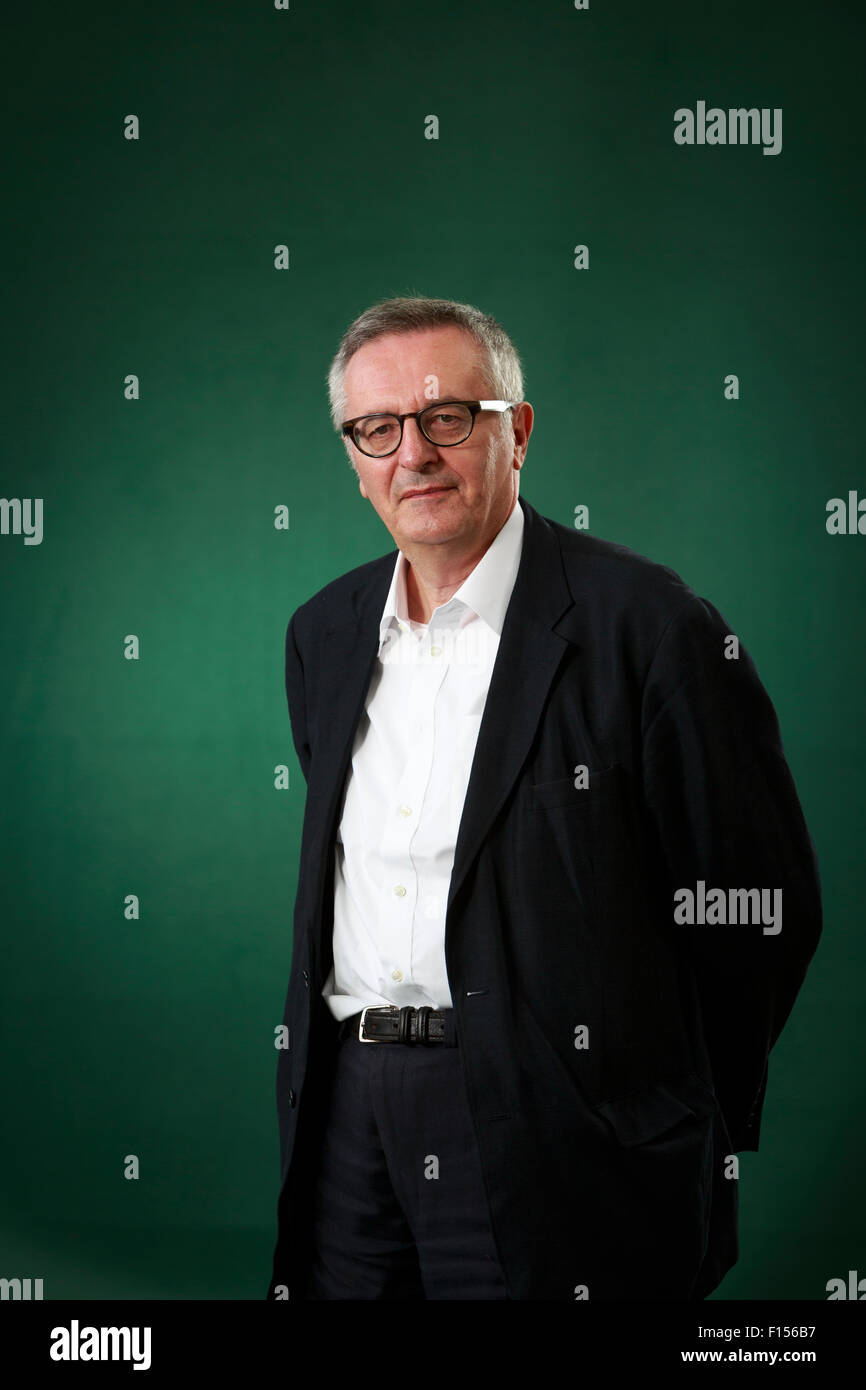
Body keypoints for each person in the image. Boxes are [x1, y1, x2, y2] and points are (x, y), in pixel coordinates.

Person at [267, 295, 821, 1301]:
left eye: (446, 418)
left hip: (557, 1126)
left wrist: (661, 1108)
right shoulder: (324, 632)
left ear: (514, 431)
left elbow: (758, 909)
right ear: (352, 457)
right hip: (349, 1115)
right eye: (377, 429)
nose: (414, 454)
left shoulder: (648, 627)